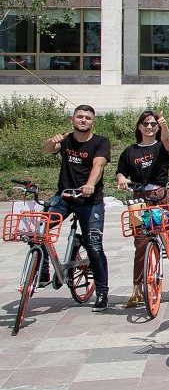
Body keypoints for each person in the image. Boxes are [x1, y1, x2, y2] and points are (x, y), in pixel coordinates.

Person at [40, 105, 111, 311]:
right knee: (39, 229)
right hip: (64, 197)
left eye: (88, 118)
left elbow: (98, 165)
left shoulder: (100, 142)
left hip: (90, 200)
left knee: (94, 246)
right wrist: (51, 142)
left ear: (93, 122)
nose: (83, 120)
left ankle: (102, 291)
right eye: (79, 116)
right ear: (72, 119)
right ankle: (43, 269)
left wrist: (89, 185)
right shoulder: (65, 140)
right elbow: (47, 150)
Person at [115, 109, 169, 308]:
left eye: (153, 124)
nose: (149, 127)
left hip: (163, 196)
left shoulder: (161, 147)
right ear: (139, 126)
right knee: (141, 243)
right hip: (141, 200)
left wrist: (164, 125)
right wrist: (121, 178)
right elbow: (121, 171)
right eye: (145, 124)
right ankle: (137, 289)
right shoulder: (130, 151)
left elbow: (167, 140)